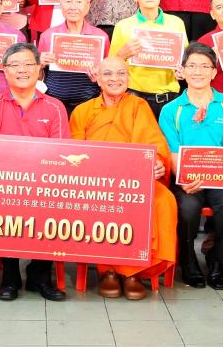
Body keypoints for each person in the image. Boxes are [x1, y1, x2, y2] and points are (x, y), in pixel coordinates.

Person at [70, 56, 178, 301]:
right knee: (100, 202)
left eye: (121, 73)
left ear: (128, 78)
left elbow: (153, 141)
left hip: (134, 180)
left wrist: (158, 163)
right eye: (108, 74)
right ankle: (107, 270)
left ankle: (135, 271)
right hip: (95, 183)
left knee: (164, 201)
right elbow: (74, 151)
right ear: (97, 78)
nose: (115, 79)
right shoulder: (83, 111)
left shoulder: (138, 106)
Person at [0, 43, 70, 301]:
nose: (22, 70)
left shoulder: (55, 107)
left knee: (54, 201)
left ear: (39, 69)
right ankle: (10, 275)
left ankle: (40, 275)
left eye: (29, 64)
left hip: (46, 181)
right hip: (5, 182)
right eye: (15, 65)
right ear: (5, 72)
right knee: (1, 199)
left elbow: (61, 154)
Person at [159, 43, 223, 290]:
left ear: (214, 72)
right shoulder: (170, 110)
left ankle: (218, 262)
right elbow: (173, 152)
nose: (198, 72)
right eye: (192, 66)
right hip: (187, 180)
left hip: (221, 179)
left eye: (204, 66)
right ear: (183, 71)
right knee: (187, 208)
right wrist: (184, 178)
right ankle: (188, 262)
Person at [109, 0, 188, 118]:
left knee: (167, 141)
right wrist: (121, 55)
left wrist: (184, 72)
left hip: (169, 98)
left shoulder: (176, 23)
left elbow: (185, 62)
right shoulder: (123, 26)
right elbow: (110, 68)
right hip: (134, 96)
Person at [36, 0, 110, 115]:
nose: (73, 7)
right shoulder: (47, 36)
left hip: (89, 103)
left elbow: (108, 76)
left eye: (79, 2)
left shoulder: (101, 37)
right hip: (54, 103)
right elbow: (38, 77)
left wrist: (98, 79)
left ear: (88, 6)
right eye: (68, 1)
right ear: (61, 5)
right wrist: (39, 65)